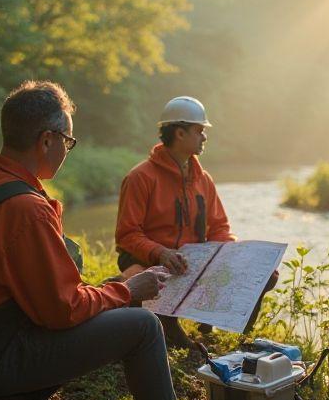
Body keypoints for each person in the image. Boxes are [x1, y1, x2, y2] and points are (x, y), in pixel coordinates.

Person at [0, 81, 224, 400]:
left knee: (111, 300)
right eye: (68, 140)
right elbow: (62, 311)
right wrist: (127, 289)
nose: (68, 149)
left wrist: (109, 290)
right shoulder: (25, 209)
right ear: (47, 140)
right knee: (143, 326)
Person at [115, 96, 278, 348]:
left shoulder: (204, 179)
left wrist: (234, 254)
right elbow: (126, 235)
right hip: (147, 261)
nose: (204, 137)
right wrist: (161, 252)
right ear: (180, 133)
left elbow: (220, 228)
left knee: (267, 274)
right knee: (149, 283)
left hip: (191, 262)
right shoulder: (140, 178)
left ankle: (242, 339)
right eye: (199, 130)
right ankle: (168, 326)